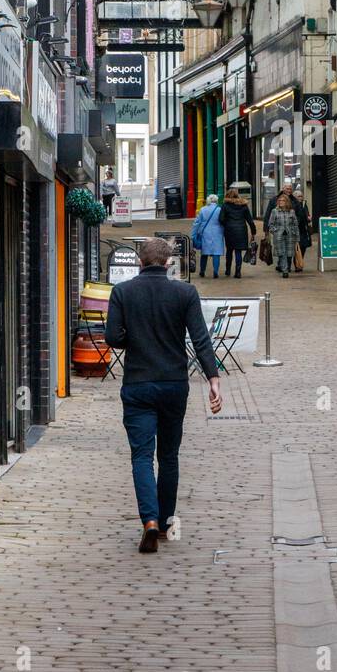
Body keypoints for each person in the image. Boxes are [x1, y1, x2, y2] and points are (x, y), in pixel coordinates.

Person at [105, 236, 222, 553]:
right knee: (168, 456)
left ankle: (150, 521)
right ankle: (167, 520)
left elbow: (113, 337)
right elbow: (200, 339)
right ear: (169, 263)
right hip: (173, 385)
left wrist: (137, 338)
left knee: (142, 456)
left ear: (140, 262)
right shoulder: (185, 293)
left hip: (138, 384)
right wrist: (213, 378)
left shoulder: (123, 292)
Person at [220, 188, 256, 279]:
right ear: (237, 196)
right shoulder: (243, 205)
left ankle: (228, 270)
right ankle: (238, 272)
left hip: (229, 230)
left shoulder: (225, 205)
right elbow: (250, 220)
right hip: (241, 230)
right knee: (238, 251)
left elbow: (221, 219)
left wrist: (226, 224)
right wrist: (253, 232)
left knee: (229, 250)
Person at [269, 189, 300, 279]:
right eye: (279, 201)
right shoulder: (275, 211)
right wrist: (275, 231)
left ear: (287, 202)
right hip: (279, 235)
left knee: (289, 253)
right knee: (282, 253)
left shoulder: (291, 211)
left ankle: (286, 267)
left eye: (283, 200)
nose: (281, 202)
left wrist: (297, 238)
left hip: (290, 235)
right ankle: (285, 270)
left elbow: (295, 224)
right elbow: (271, 224)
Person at [193, 193, 224, 279]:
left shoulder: (203, 210)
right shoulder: (219, 210)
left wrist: (194, 234)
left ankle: (202, 271)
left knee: (204, 253)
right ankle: (215, 272)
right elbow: (223, 221)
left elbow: (197, 223)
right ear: (216, 201)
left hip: (205, 233)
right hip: (217, 233)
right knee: (216, 253)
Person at [292, 189, 312, 271]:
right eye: (299, 196)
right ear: (295, 197)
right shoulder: (293, 204)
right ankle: (297, 265)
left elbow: (307, 214)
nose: (301, 197)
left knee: (303, 246)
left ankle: (300, 261)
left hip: (304, 229)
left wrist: (308, 218)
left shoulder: (304, 204)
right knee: (297, 247)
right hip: (296, 229)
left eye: (301, 196)